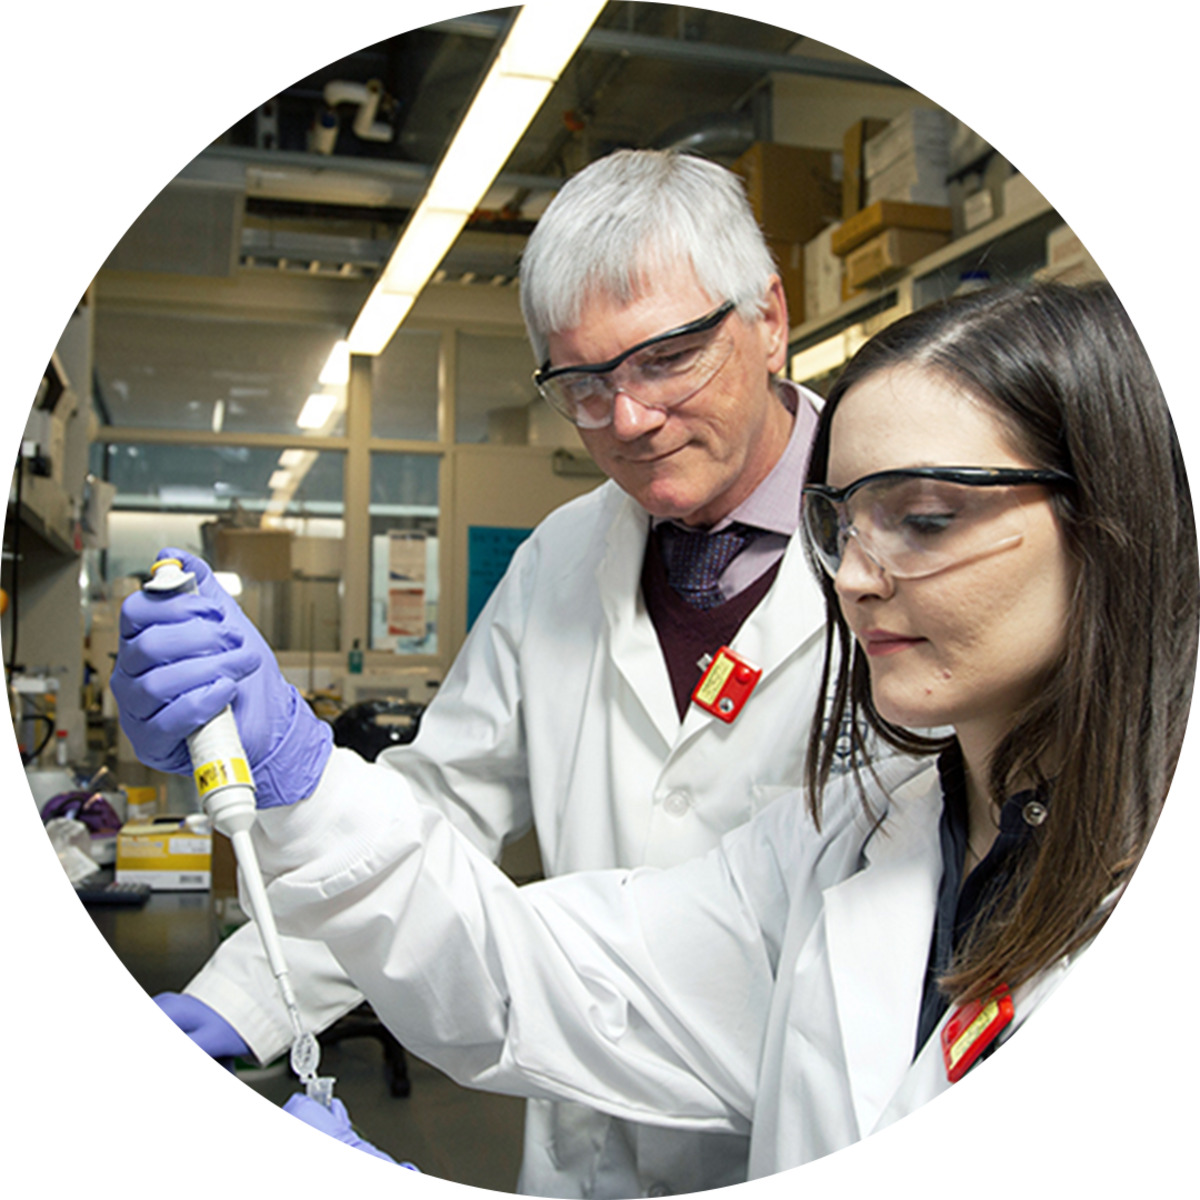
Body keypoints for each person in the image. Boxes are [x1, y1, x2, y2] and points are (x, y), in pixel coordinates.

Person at [116, 280, 1197, 1178]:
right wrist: (298, 773)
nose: (857, 580)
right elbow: (537, 973)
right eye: (845, 523)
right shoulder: (858, 842)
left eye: (922, 520)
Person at [113, 148, 844, 1197]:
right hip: (582, 1135)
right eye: (584, 384)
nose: (627, 419)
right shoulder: (562, 554)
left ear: (770, 314)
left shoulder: (903, 549)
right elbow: (436, 814)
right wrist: (249, 993)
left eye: (667, 357)